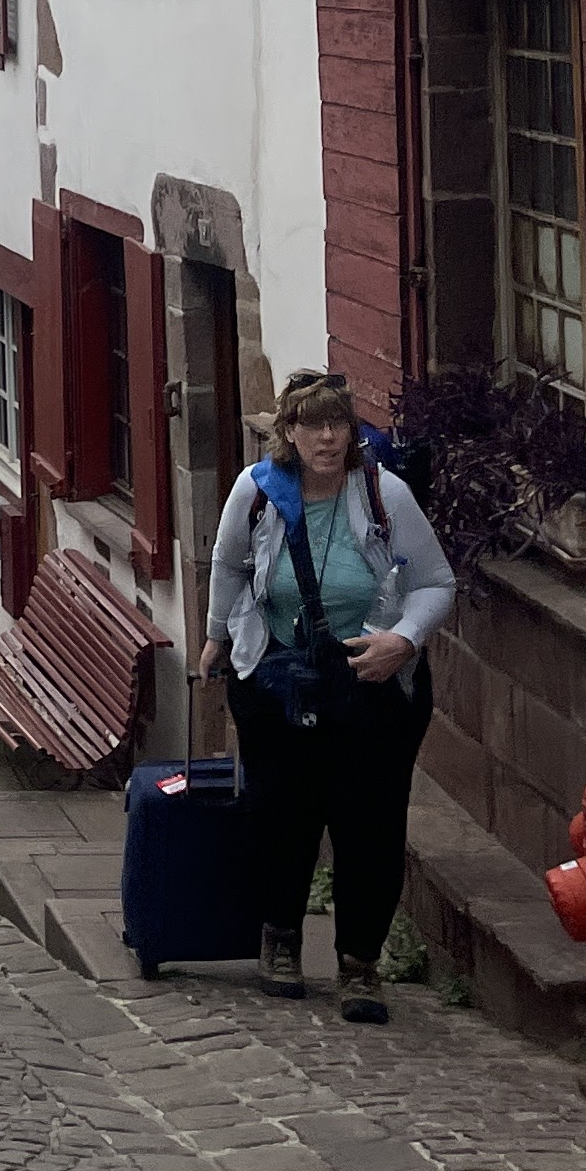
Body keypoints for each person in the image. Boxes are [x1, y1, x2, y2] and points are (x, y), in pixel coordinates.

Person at [207, 369, 455, 1021]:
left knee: (369, 824)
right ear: (288, 432)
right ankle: (280, 939)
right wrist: (215, 637)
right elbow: (229, 564)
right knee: (281, 815)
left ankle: (359, 964)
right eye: (312, 424)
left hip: (371, 685)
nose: (326, 437)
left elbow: (436, 583)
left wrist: (403, 640)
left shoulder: (384, 494)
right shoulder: (257, 491)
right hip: (275, 682)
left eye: (337, 423)